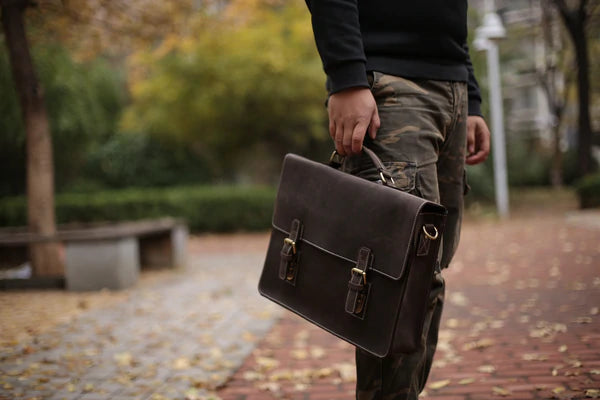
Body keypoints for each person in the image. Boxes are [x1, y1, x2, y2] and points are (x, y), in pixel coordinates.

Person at [304, 1, 491, 399]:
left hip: (451, 87)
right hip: (389, 85)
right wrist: (347, 76)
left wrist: (470, 97)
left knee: (429, 272)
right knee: (404, 280)